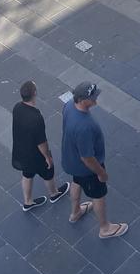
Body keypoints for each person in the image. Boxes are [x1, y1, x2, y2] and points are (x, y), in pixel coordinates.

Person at [61, 81, 128, 238]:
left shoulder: (69, 106)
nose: (96, 99)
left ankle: (75, 212)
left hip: (72, 161)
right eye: (93, 97)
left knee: (76, 182)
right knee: (98, 195)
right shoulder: (85, 126)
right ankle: (105, 228)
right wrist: (101, 173)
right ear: (83, 100)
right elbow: (87, 157)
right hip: (87, 168)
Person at [11, 80, 70, 211]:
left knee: (27, 174)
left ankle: (27, 202)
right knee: (48, 172)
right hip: (35, 154)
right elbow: (41, 142)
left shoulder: (17, 107)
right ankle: (54, 194)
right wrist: (47, 156)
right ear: (35, 93)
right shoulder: (36, 117)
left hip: (22, 151)